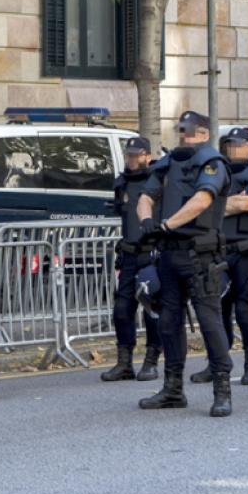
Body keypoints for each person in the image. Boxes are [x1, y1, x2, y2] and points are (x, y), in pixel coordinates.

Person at [137, 111, 234, 417]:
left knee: (209, 322)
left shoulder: (213, 163)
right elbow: (145, 195)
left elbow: (202, 200)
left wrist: (166, 225)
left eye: (189, 132)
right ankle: (173, 389)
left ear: (204, 134)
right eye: (180, 131)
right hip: (169, 255)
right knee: (167, 322)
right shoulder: (167, 163)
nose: (183, 137)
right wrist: (147, 222)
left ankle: (222, 390)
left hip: (201, 255)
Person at [197, 127, 248, 386]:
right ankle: (217, 363)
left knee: (246, 309)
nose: (232, 148)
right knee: (215, 308)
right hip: (219, 249)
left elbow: (247, 204)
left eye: (238, 143)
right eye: (228, 143)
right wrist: (230, 202)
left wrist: (215, 204)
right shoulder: (219, 169)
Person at [100, 137, 163, 382]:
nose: (132, 159)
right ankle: (124, 363)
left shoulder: (158, 179)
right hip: (128, 253)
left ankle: (151, 361)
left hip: (151, 253)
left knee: (151, 308)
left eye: (137, 155)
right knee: (122, 310)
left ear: (147, 155)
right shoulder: (122, 182)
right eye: (129, 155)